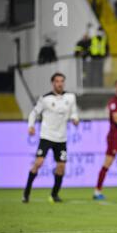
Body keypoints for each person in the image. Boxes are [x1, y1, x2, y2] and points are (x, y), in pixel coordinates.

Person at [23, 73, 79, 203]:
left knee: (61, 167)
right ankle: (26, 193)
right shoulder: (45, 99)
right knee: (39, 163)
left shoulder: (70, 97)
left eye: (61, 81)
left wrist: (75, 119)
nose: (59, 83)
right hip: (46, 136)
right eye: (57, 81)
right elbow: (33, 113)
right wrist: (31, 126)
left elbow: (74, 112)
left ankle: (54, 194)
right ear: (53, 83)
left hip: (61, 138)